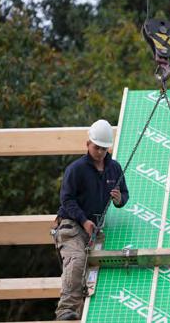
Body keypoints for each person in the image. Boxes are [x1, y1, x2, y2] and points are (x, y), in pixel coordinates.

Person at [54, 119, 129, 320]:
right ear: (88, 144)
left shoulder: (114, 168)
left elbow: (124, 194)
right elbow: (66, 199)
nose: (100, 152)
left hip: (95, 230)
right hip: (71, 226)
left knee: (98, 269)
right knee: (77, 260)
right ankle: (66, 312)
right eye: (97, 147)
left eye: (104, 149)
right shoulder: (76, 169)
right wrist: (84, 220)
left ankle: (86, 314)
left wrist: (120, 200)